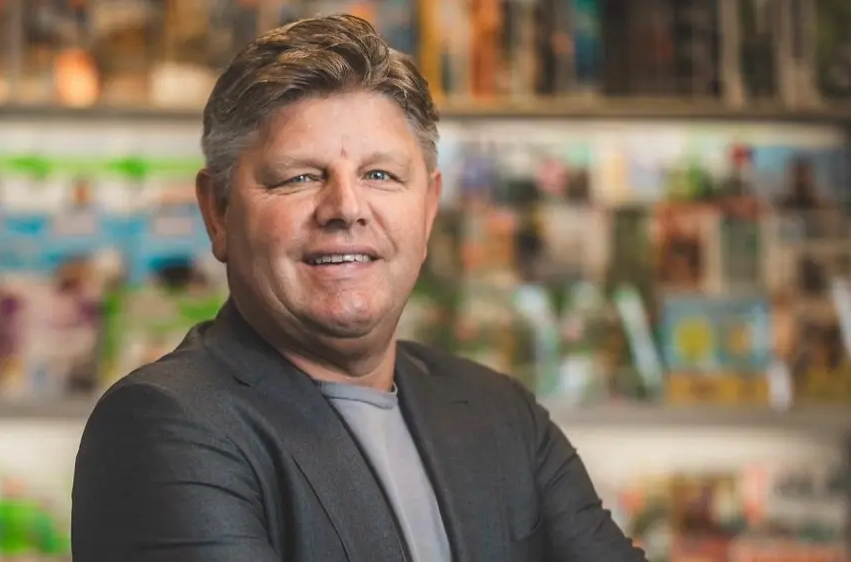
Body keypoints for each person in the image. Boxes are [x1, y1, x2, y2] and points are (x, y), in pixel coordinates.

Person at [72, 14, 647, 562]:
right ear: (218, 211)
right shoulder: (164, 423)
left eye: (380, 175)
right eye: (300, 176)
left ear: (429, 209)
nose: (346, 208)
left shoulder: (499, 410)